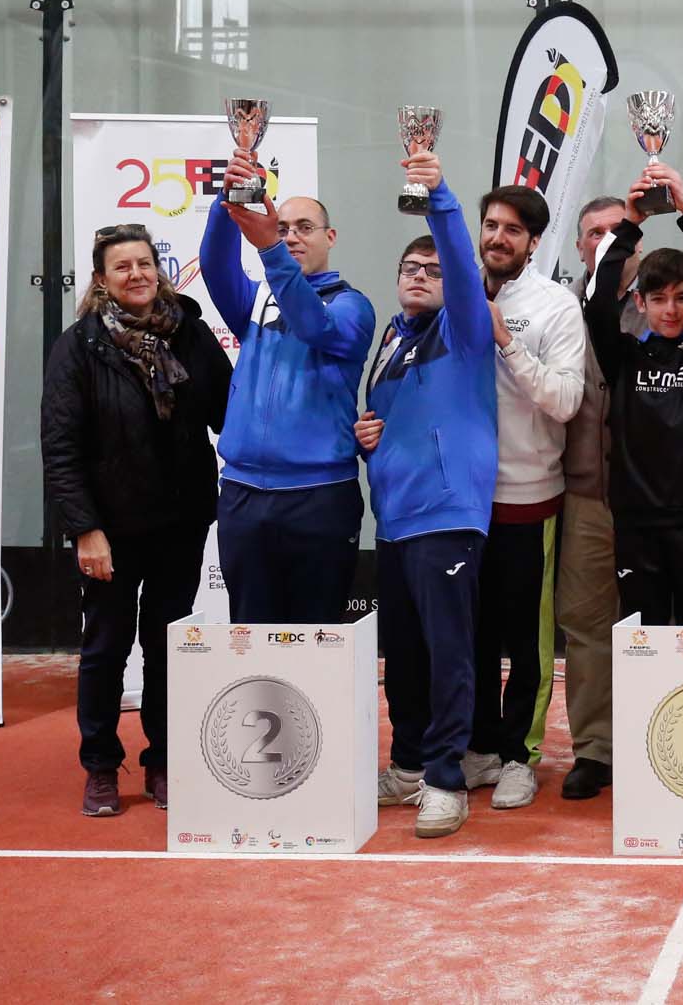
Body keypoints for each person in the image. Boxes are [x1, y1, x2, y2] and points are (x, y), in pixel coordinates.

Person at [42, 224, 231, 817]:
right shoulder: (78, 346)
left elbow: (231, 412)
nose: (137, 275)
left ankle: (164, 762)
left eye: (144, 263)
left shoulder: (193, 335)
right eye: (121, 267)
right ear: (102, 279)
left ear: (159, 268)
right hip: (111, 531)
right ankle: (100, 765)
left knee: (168, 646)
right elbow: (60, 445)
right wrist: (85, 529)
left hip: (181, 522)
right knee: (105, 650)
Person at [360, 152, 496, 839]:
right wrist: (367, 434)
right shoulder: (390, 337)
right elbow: (397, 418)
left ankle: (448, 778)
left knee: (449, 656)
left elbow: (460, 267)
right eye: (410, 268)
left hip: (448, 517)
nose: (421, 275)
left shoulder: (465, 332)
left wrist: (439, 195)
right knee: (406, 658)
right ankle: (410, 762)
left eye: (434, 270)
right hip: (394, 522)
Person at [198, 149, 375, 623]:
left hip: (317, 497)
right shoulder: (256, 301)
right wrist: (227, 199)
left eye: (304, 227)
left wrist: (270, 251)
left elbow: (313, 325)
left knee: (316, 641)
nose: (291, 236)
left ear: (330, 237)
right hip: (242, 495)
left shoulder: (352, 307)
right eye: (282, 228)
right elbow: (214, 267)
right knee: (249, 635)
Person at [465, 184, 588, 812]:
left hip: (528, 499)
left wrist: (505, 342)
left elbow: (566, 402)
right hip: (460, 503)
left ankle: (521, 754)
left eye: (513, 230)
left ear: (534, 242)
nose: (497, 238)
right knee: (474, 635)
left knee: (528, 641)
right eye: (491, 225)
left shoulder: (556, 306)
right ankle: (482, 746)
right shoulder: (455, 290)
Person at [586, 162, 683, 625]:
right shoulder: (622, 356)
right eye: (658, 299)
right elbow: (596, 300)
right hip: (639, 525)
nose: (670, 310)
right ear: (639, 302)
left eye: (680, 298)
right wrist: (632, 222)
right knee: (644, 647)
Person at [554, 195, 629, 801]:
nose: (603, 240)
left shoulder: (670, 298)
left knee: (660, 622)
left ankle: (660, 734)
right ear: (579, 245)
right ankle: (594, 751)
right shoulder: (556, 308)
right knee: (586, 627)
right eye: (592, 233)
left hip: (655, 497)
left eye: (614, 230)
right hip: (581, 493)